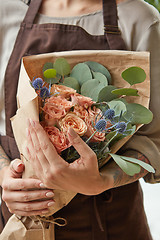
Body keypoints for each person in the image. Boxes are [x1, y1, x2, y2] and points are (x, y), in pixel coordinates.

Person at [0, 0, 160, 239]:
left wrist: (101, 181)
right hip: (18, 220)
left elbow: (155, 139)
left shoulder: (139, 19)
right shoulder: (5, 10)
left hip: (108, 222)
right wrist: (5, 175)